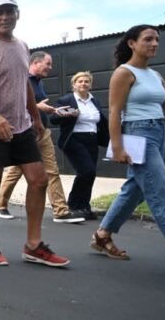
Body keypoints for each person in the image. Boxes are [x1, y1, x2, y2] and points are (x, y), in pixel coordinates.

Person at [0, 0, 70, 268]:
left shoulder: (22, 46)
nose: (4, 17)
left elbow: (24, 84)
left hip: (23, 125)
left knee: (38, 180)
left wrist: (35, 117)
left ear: (17, 14)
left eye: (9, 12)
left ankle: (33, 245)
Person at [92, 25, 165, 259]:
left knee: (135, 190)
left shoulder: (155, 75)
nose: (154, 43)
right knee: (161, 193)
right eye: (148, 39)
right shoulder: (124, 73)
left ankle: (103, 235)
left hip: (157, 131)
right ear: (132, 44)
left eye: (156, 39)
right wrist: (117, 146)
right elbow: (114, 112)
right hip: (138, 134)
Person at [0, 52, 85, 224]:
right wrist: (37, 106)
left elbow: (38, 107)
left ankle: (61, 211)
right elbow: (11, 103)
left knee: (52, 170)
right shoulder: (21, 79)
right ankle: (0, 204)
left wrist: (52, 110)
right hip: (25, 132)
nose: (50, 68)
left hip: (42, 131)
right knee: (16, 170)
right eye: (48, 64)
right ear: (35, 62)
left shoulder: (38, 83)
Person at [50, 71, 109, 221]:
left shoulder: (94, 101)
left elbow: (100, 121)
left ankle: (84, 207)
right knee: (86, 171)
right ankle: (74, 205)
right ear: (74, 85)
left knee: (91, 174)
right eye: (80, 81)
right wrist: (67, 114)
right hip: (74, 139)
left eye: (86, 81)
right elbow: (54, 119)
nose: (83, 84)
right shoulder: (67, 99)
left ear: (90, 85)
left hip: (92, 140)